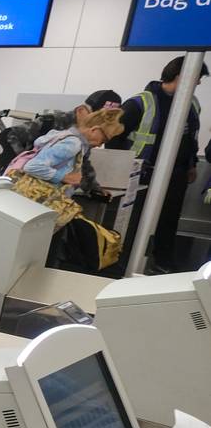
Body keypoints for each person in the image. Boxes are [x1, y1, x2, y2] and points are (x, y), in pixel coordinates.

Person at [114, 56, 205, 271]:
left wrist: (191, 165)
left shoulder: (192, 104)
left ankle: (163, 264)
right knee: (134, 221)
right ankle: (123, 264)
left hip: (177, 174)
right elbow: (115, 137)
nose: (199, 83)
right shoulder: (140, 102)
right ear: (180, 75)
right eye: (197, 77)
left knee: (168, 221)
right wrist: (120, 169)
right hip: (142, 175)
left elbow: (191, 137)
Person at [21, 106, 124, 187]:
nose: (100, 144)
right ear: (94, 130)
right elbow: (32, 167)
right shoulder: (73, 144)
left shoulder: (66, 136)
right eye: (104, 139)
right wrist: (65, 177)